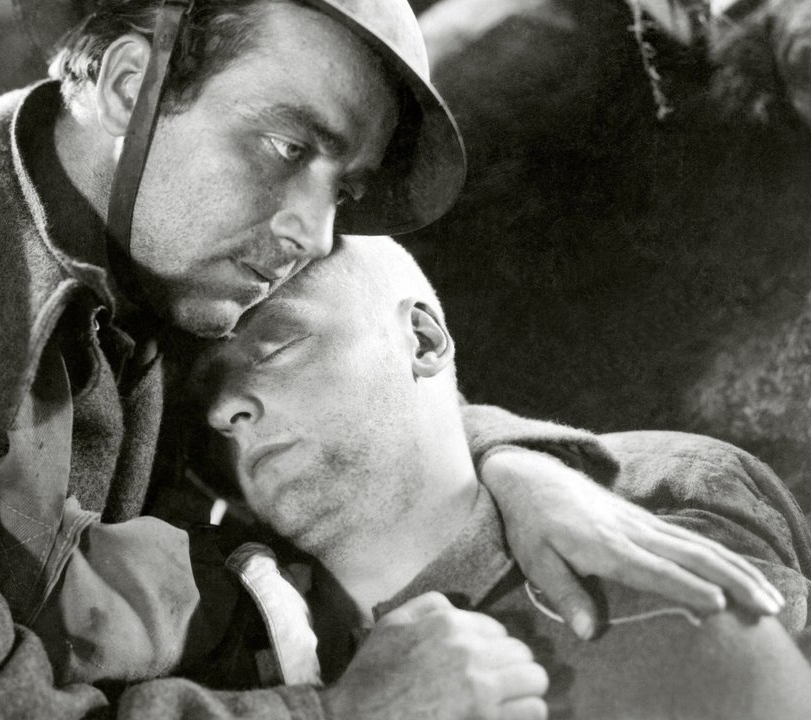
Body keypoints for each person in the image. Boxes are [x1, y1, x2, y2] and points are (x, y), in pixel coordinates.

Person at [0, 0, 786, 717]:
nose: (311, 234)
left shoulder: (158, 259)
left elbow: (342, 390)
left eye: (343, 186)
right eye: (287, 146)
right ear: (124, 82)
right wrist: (340, 715)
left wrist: (512, 467)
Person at [191, 234, 811, 718]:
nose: (223, 409)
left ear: (422, 340)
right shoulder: (207, 641)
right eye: (200, 397)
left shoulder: (664, 543)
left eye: (275, 349)